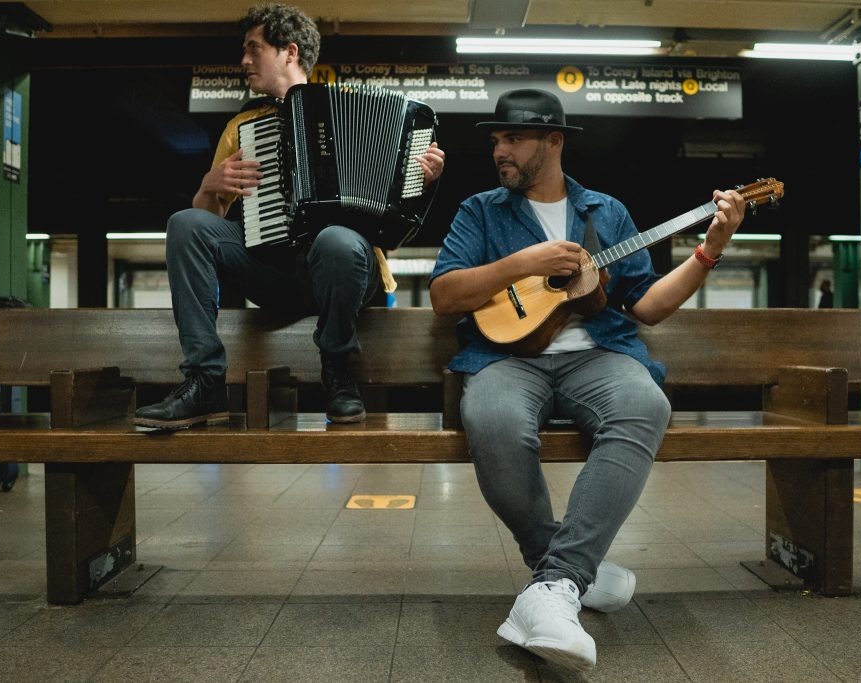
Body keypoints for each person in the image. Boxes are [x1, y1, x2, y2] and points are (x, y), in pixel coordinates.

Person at [429, 89, 745, 672]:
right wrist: (526, 263)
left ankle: (553, 586)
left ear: (554, 141)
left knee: (644, 406)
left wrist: (710, 251)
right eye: (495, 138)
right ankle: (571, 576)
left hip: (598, 353)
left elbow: (645, 307)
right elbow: (445, 296)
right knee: (492, 418)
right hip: (505, 360)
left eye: (512, 138)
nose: (499, 149)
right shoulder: (480, 211)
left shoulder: (606, 212)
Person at [134, 3, 445, 429]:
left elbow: (396, 223)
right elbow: (208, 219)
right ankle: (205, 380)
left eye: (253, 49)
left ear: (289, 52)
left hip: (345, 273)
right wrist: (209, 186)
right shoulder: (244, 126)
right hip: (273, 272)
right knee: (184, 223)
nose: (243, 61)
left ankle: (337, 370)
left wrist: (420, 179)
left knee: (336, 240)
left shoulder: (353, 109)